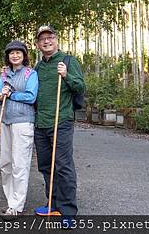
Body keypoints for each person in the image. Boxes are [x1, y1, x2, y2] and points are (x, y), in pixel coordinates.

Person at [32, 25, 85, 224]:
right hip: (41, 122)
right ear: (37, 44)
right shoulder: (38, 67)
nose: (46, 41)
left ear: (56, 40)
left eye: (50, 37)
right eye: (42, 39)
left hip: (61, 120)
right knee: (46, 165)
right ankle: (53, 204)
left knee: (63, 165)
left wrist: (66, 75)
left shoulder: (68, 61)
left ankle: (68, 211)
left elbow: (80, 86)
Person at [0, 40, 38, 219]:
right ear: (8, 56)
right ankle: (11, 200)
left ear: (24, 55)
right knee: (5, 163)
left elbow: (31, 96)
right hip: (5, 121)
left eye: (18, 52)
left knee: (19, 163)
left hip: (23, 122)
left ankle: (16, 206)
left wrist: (11, 94)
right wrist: (0, 95)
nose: (15, 55)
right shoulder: (4, 74)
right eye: (11, 53)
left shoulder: (30, 73)